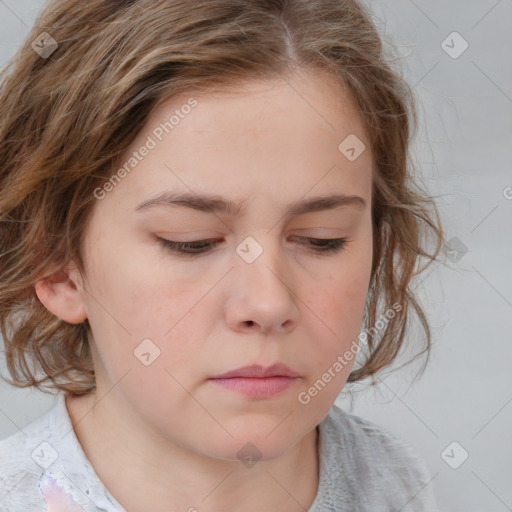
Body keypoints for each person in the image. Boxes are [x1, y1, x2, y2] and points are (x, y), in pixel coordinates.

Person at [0, 0, 446, 510]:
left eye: (323, 238)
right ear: (56, 267)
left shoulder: (398, 485)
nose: (268, 303)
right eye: (190, 241)